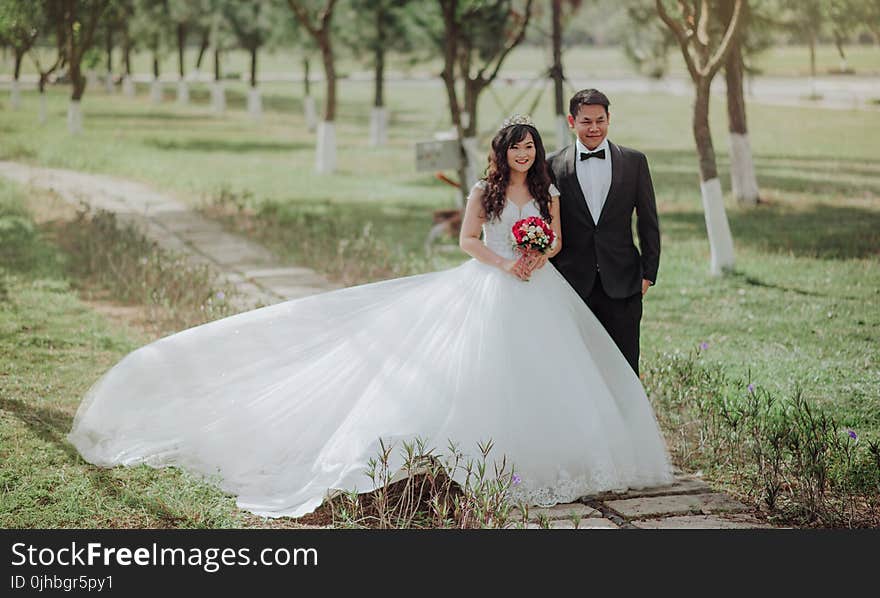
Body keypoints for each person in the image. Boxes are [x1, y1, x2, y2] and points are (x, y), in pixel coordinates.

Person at [67, 116, 673, 519]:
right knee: (478, 375)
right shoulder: (483, 192)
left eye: (531, 145)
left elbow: (560, 241)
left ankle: (551, 459)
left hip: (537, 289)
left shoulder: (549, 193)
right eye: (516, 146)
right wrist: (502, 263)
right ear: (502, 152)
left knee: (551, 378)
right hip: (489, 284)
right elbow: (465, 242)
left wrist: (536, 256)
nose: (525, 152)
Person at [548, 89, 661, 375]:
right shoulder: (551, 165)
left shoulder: (634, 162)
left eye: (600, 120)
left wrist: (648, 275)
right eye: (586, 121)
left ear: (609, 119)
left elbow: (648, 221)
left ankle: (627, 420)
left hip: (623, 283)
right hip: (572, 285)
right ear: (571, 122)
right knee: (577, 369)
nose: (594, 128)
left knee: (624, 367)